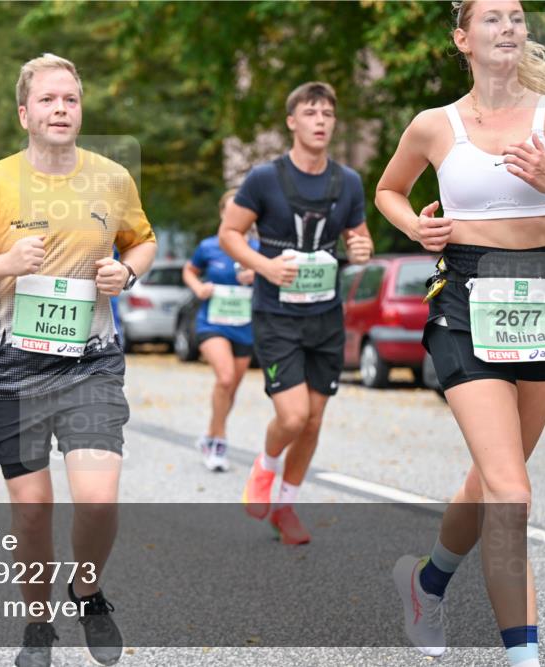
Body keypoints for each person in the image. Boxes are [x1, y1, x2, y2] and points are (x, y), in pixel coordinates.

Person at [0, 53, 157, 667]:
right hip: (11, 365)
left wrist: (128, 270)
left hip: (89, 362)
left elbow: (143, 239)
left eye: (71, 99)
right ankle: (38, 625)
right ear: (24, 113)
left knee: (98, 498)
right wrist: (5, 264)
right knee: (32, 513)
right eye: (48, 100)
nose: (61, 109)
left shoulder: (112, 179)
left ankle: (86, 590)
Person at [375, 2, 545, 663]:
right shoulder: (434, 126)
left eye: (516, 15)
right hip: (466, 300)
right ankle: (523, 655)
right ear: (462, 38)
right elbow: (390, 191)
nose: (508, 25)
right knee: (511, 489)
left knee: (490, 477)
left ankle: (426, 581)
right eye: (492, 17)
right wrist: (416, 227)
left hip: (537, 297)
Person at [220, 81, 374, 545]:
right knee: (291, 416)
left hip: (325, 314)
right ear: (292, 121)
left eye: (328, 113)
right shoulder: (265, 178)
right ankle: (264, 469)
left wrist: (363, 248)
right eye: (311, 113)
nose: (321, 121)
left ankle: (285, 505)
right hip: (276, 314)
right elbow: (230, 234)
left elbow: (359, 238)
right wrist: (265, 264)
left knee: (313, 420)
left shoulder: (347, 181)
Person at [182, 188, 258, 472]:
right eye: (232, 209)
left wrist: (258, 275)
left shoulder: (259, 249)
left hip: (245, 325)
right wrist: (199, 287)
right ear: (223, 213)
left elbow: (277, 278)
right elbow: (189, 271)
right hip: (212, 323)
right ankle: (218, 442)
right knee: (225, 378)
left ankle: (210, 435)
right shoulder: (209, 246)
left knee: (232, 388)